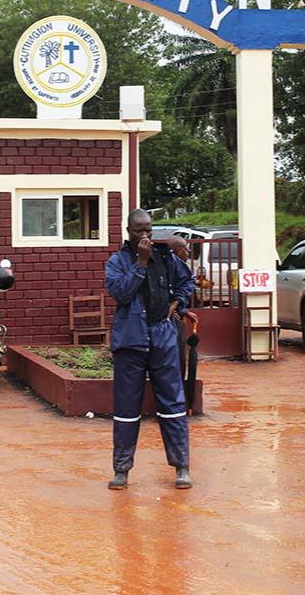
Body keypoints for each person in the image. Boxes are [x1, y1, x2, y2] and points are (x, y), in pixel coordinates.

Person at [105, 209, 196, 491]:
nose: (144, 235)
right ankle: (122, 470)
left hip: (163, 336)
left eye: (148, 230)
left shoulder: (166, 257)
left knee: (172, 402)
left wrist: (177, 304)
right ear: (127, 231)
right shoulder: (117, 261)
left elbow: (187, 281)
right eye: (138, 231)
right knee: (126, 408)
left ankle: (181, 467)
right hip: (130, 338)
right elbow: (120, 293)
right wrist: (141, 264)